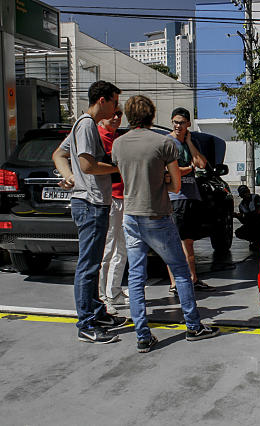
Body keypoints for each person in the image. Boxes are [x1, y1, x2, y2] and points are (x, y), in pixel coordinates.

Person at [111, 95, 220, 353]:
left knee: (136, 278)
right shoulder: (163, 143)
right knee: (181, 271)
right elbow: (176, 183)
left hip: (131, 215)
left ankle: (143, 336)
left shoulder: (118, 144)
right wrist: (163, 184)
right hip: (158, 213)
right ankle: (193, 326)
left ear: (128, 115)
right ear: (152, 115)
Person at [52, 80, 127, 344]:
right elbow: (88, 165)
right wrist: (119, 168)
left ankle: (97, 313)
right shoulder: (85, 125)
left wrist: (68, 176)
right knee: (88, 266)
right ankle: (86, 323)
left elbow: (58, 155)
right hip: (91, 203)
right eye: (115, 102)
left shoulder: (83, 125)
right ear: (102, 100)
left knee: (93, 264)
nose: (117, 109)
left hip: (91, 201)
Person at [166, 107, 215, 293]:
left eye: (182, 123)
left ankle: (193, 279)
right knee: (175, 242)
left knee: (189, 241)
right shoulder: (167, 142)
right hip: (175, 197)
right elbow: (171, 172)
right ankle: (174, 283)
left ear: (188, 124)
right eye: (176, 122)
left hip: (191, 195)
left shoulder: (189, 142)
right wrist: (188, 168)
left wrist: (189, 142)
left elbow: (202, 164)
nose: (178, 126)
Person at [97, 106, 129, 315]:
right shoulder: (96, 136)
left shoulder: (118, 138)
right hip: (107, 199)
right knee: (106, 250)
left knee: (123, 248)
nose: (117, 117)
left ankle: (114, 291)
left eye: (120, 114)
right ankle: (101, 297)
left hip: (124, 198)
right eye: (113, 113)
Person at [233, 185, 260, 251]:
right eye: (243, 193)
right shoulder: (241, 205)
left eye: (246, 192)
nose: (246, 195)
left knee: (255, 222)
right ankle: (256, 240)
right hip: (252, 224)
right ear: (241, 195)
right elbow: (244, 221)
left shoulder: (256, 197)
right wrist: (238, 217)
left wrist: (246, 215)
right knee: (239, 232)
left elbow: (258, 211)